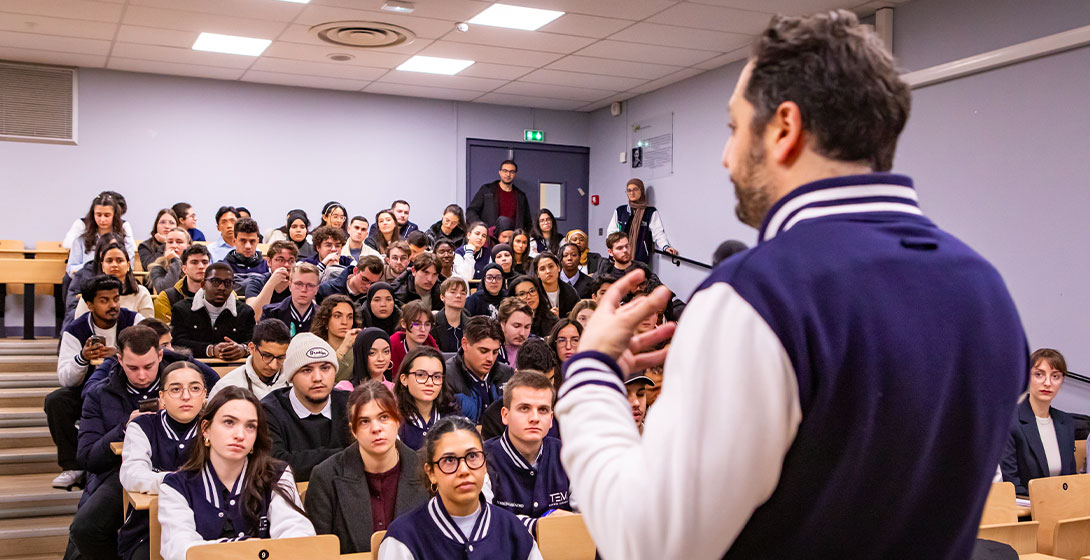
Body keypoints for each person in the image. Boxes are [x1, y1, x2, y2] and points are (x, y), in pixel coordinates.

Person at [556, 11, 1027, 559]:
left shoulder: (758, 296)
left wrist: (591, 374)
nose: (726, 157)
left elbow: (649, 544)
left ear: (784, 128)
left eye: (734, 128)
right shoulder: (989, 291)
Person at [70, 326, 218, 560]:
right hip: (119, 471)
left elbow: (213, 384)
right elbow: (88, 458)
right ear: (119, 359)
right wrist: (123, 428)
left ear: (160, 355)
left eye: (149, 366)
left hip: (187, 464)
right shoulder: (100, 394)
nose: (141, 375)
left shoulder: (183, 369)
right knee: (85, 529)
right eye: (132, 367)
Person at [158, 386, 315, 560]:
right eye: (229, 422)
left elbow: (301, 538)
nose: (240, 435)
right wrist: (247, 549)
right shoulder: (176, 486)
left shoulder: (276, 474)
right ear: (205, 429)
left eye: (250, 426)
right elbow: (181, 550)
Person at [376, 416, 542, 560]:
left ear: (485, 465)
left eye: (472, 456)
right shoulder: (404, 538)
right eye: (449, 460)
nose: (464, 470)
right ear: (431, 472)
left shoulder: (513, 531)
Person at [306, 381, 430, 553]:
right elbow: (318, 553)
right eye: (364, 421)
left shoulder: (426, 471)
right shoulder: (325, 477)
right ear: (354, 430)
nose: (376, 428)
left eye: (384, 417)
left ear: (398, 420)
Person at [47, 275, 141, 490]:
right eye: (104, 300)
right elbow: (65, 379)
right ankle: (73, 466)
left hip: (127, 392)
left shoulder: (134, 321)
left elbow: (149, 355)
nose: (113, 305)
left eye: (116, 299)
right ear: (89, 305)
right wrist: (83, 357)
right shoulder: (75, 330)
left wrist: (119, 354)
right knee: (56, 401)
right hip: (87, 393)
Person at [117, 362, 206, 560]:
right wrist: (180, 481)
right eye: (175, 389)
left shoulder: (214, 426)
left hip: (205, 525)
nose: (186, 396)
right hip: (148, 527)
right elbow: (132, 474)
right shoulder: (143, 426)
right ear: (161, 397)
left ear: (204, 394)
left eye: (195, 388)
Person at [484, 370, 571, 534]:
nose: (535, 418)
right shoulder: (482, 458)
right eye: (524, 408)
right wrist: (538, 526)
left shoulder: (567, 454)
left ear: (552, 418)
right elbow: (484, 522)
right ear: (505, 415)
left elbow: (586, 519)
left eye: (543, 410)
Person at [261, 333, 351, 481]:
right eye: (307, 370)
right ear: (291, 376)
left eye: (325, 368)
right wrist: (347, 456)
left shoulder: (350, 404)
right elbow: (274, 465)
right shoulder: (269, 411)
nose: (317, 378)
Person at [1001, 348, 1076, 495]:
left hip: (1063, 507)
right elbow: (1011, 484)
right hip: (1028, 511)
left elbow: (1070, 480)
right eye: (1039, 374)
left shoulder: (1065, 422)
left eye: (1055, 376)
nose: (1047, 383)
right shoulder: (1010, 422)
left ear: (1062, 381)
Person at [480, 340, 561, 442]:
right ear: (517, 375)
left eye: (550, 380)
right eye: (535, 382)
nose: (544, 389)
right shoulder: (494, 417)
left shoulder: (563, 408)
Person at [170, 263, 255, 359]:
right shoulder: (181, 309)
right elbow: (177, 343)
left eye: (227, 282)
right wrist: (210, 349)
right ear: (203, 285)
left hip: (235, 368)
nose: (221, 287)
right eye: (215, 281)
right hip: (193, 367)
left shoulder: (245, 312)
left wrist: (243, 349)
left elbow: (254, 341)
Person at [70, 235, 154, 326]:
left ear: (128, 265)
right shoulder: (90, 293)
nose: (114, 265)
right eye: (109, 261)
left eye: (119, 260)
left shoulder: (141, 292)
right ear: (102, 266)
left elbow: (148, 328)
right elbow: (80, 325)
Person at [444, 317, 513, 424]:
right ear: (465, 344)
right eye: (483, 351)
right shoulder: (445, 377)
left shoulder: (507, 374)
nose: (490, 358)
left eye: (495, 352)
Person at [209, 318, 292, 400]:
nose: (274, 366)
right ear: (252, 348)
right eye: (267, 356)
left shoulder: (296, 384)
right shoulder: (226, 387)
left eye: (280, 357)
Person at [394, 347, 460, 450]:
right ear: (404, 379)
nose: (430, 383)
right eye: (421, 375)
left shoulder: (453, 416)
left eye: (437, 377)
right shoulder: (394, 420)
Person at [606, 178, 678, 264]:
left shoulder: (650, 212)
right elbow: (611, 233)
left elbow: (658, 233)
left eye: (635, 189)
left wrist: (665, 247)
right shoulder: (620, 211)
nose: (632, 193)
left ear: (641, 190)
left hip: (639, 258)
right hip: (618, 257)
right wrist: (612, 250)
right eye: (629, 190)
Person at [66, 192, 134, 277]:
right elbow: (71, 269)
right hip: (87, 282)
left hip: (116, 282)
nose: (102, 219)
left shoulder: (124, 238)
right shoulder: (81, 239)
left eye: (107, 215)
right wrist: (93, 267)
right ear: (93, 215)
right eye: (98, 215)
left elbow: (129, 266)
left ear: (114, 215)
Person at [466, 159, 532, 232]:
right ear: (500, 172)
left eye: (512, 172)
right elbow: (471, 211)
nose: (508, 174)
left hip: (513, 238)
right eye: (505, 171)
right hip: (490, 237)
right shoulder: (487, 190)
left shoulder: (521, 196)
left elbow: (528, 221)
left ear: (515, 174)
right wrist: (481, 228)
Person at [311, 295, 361, 381]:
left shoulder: (358, 350)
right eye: (337, 316)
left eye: (350, 317)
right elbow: (324, 380)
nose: (344, 322)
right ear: (325, 321)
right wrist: (343, 348)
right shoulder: (314, 349)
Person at [261, 262, 320, 335]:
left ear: (316, 289)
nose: (304, 290)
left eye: (310, 285)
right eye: (298, 284)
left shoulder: (324, 317)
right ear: (290, 286)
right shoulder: (271, 313)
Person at [245, 240, 298, 315]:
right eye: (280, 260)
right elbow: (253, 316)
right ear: (269, 262)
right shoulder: (256, 282)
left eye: (291, 261)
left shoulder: (299, 284)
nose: (286, 265)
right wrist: (272, 282)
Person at [389, 301, 440, 374]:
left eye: (427, 324)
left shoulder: (433, 350)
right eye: (416, 324)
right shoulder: (391, 349)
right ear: (403, 324)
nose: (423, 329)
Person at [317, 255, 384, 307]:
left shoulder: (373, 298)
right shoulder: (326, 290)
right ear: (355, 271)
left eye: (373, 283)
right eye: (365, 279)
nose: (368, 286)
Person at [222, 217, 268, 290]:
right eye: (243, 241)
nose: (248, 246)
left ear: (257, 241)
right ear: (234, 241)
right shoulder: (222, 267)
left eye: (252, 241)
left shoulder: (267, 266)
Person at [531, 252, 579, 318]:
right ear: (538, 274)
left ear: (558, 268)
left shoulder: (570, 292)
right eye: (542, 269)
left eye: (551, 266)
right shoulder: (532, 293)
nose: (548, 271)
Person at [146, 227, 191, 294]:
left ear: (188, 246)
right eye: (170, 242)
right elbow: (165, 291)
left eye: (179, 242)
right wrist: (176, 261)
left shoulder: (194, 265)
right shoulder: (157, 267)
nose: (174, 245)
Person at [431, 277, 470, 353]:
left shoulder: (471, 325)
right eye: (453, 292)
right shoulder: (432, 323)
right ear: (442, 297)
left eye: (463, 293)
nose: (458, 296)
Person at [496, 297, 533, 367]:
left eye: (527, 327)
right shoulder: (493, 352)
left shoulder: (537, 347)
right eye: (516, 326)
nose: (522, 333)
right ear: (503, 324)